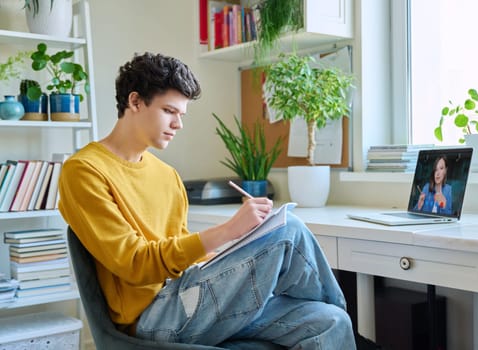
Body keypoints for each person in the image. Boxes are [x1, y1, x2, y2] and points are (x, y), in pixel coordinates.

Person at [58, 52, 356, 349]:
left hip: (192, 295)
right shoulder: (84, 171)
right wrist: (228, 231)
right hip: (154, 318)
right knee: (288, 229)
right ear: (135, 102)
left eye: (181, 115)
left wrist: (239, 256)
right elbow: (135, 264)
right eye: (169, 111)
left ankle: (336, 309)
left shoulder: (167, 175)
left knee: (330, 320)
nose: (178, 124)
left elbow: (188, 255)